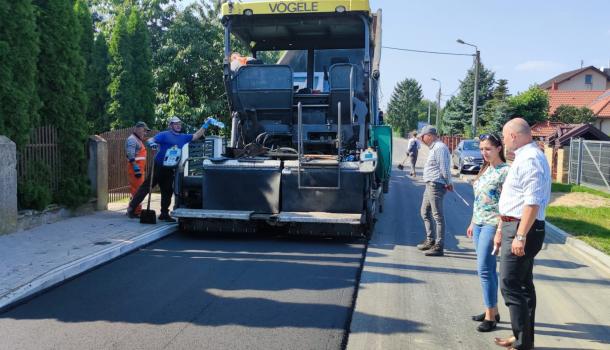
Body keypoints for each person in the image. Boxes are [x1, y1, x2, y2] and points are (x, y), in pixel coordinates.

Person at [493, 118, 551, 350]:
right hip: (515, 226)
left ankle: (522, 342)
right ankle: (523, 339)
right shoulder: (526, 156)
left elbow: (532, 202)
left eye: (505, 136)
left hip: (521, 228)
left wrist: (520, 236)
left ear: (514, 136)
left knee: (509, 283)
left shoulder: (530, 159)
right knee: (523, 285)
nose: (504, 141)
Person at [466, 133, 509, 332]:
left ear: (499, 148)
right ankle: (491, 309)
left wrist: (500, 230)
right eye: (482, 149)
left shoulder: (505, 171)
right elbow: (479, 200)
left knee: (484, 269)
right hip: (479, 224)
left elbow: (507, 205)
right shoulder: (485, 169)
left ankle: (491, 317)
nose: (484, 153)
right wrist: (472, 222)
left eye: (488, 149)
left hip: (493, 224)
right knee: (486, 270)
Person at [127, 117, 207, 221]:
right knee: (146, 187)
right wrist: (152, 144)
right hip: (158, 166)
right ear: (170, 126)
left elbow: (196, 135)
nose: (178, 125)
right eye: (175, 124)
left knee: (167, 191)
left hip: (169, 168)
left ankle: (164, 214)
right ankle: (131, 208)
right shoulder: (164, 135)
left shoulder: (183, 137)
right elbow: (151, 139)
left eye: (179, 124)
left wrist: (205, 125)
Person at [417, 125, 453, 256]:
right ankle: (430, 240)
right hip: (430, 184)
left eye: (423, 136)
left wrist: (449, 183)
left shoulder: (439, 148)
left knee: (437, 216)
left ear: (430, 136)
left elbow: (444, 169)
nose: (421, 139)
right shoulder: (434, 148)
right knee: (424, 212)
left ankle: (439, 246)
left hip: (436, 185)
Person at [125, 121, 151, 218]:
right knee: (137, 191)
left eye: (146, 132)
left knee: (136, 190)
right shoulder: (132, 140)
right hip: (135, 169)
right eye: (144, 131)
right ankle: (135, 211)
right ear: (138, 129)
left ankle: (133, 209)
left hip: (139, 169)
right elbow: (130, 154)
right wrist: (136, 168)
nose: (145, 133)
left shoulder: (137, 140)